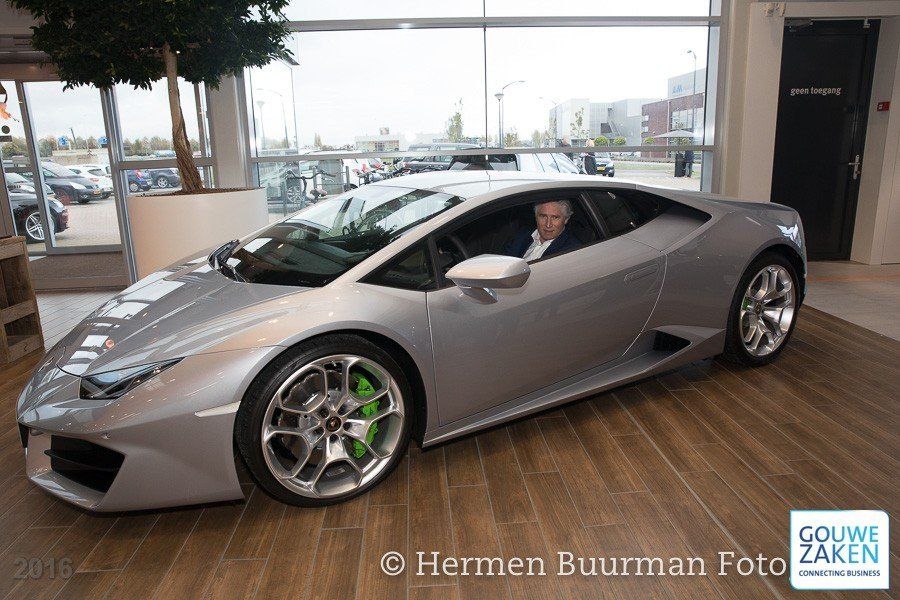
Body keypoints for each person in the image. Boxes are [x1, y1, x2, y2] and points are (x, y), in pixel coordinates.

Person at [505, 200, 581, 262]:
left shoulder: (573, 249)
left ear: (566, 219)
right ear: (536, 217)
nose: (548, 224)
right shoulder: (522, 234)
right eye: (543, 216)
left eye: (555, 217)